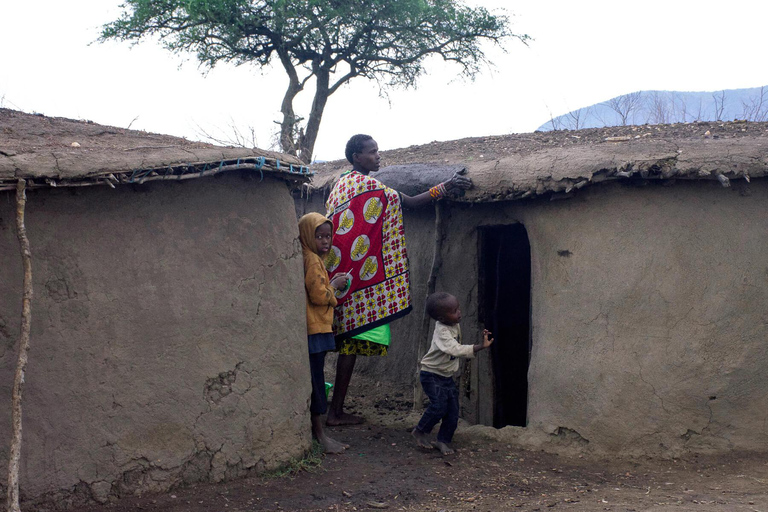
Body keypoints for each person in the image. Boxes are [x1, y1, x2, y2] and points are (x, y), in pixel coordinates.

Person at [324, 134, 471, 426]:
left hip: (338, 272)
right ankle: (334, 412)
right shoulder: (367, 185)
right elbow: (411, 202)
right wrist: (446, 186)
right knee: (349, 346)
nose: (378, 156)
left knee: (347, 346)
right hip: (352, 278)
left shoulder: (341, 183)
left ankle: (334, 411)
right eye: (372, 152)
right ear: (356, 157)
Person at [411, 292, 494, 455]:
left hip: (445, 376)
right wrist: (480, 347)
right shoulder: (442, 331)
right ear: (442, 318)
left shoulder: (453, 323)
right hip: (431, 375)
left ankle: (443, 440)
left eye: (458, 308)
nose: (459, 313)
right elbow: (454, 349)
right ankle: (420, 430)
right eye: (454, 311)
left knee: (452, 411)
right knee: (439, 406)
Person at [298, 212, 353, 453]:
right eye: (319, 236)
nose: (325, 242)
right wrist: (335, 288)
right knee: (316, 380)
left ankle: (319, 433)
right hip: (315, 329)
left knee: (317, 377)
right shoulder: (311, 259)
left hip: (316, 327)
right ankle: (321, 435)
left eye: (328, 237)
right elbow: (319, 296)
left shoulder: (313, 258)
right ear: (308, 236)